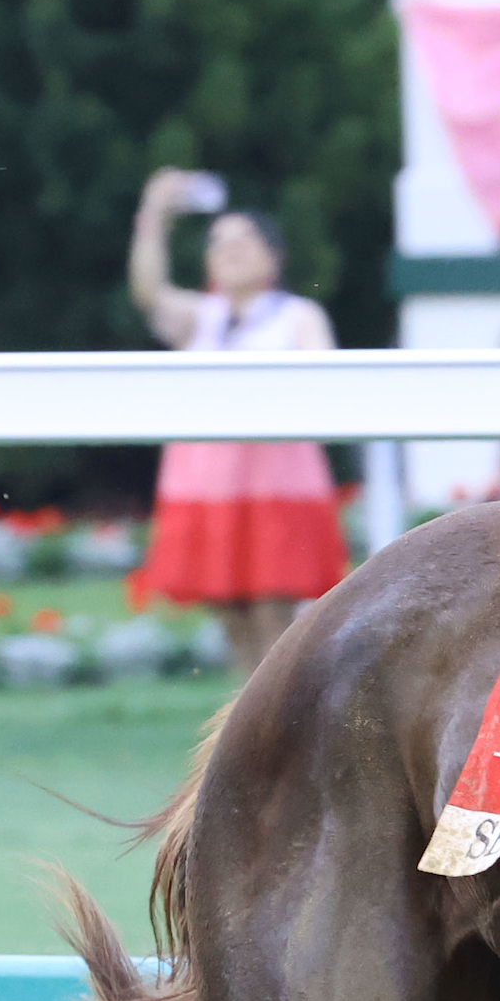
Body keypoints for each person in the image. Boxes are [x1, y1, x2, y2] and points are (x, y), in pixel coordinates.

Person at [128, 168, 347, 671]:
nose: (229, 250)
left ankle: (277, 722)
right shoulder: (201, 317)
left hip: (275, 480)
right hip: (209, 483)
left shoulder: (297, 316)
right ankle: (246, 725)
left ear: (273, 255)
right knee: (228, 611)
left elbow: (326, 380)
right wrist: (154, 216)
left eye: (243, 240)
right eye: (218, 242)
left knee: (275, 607)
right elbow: (148, 291)